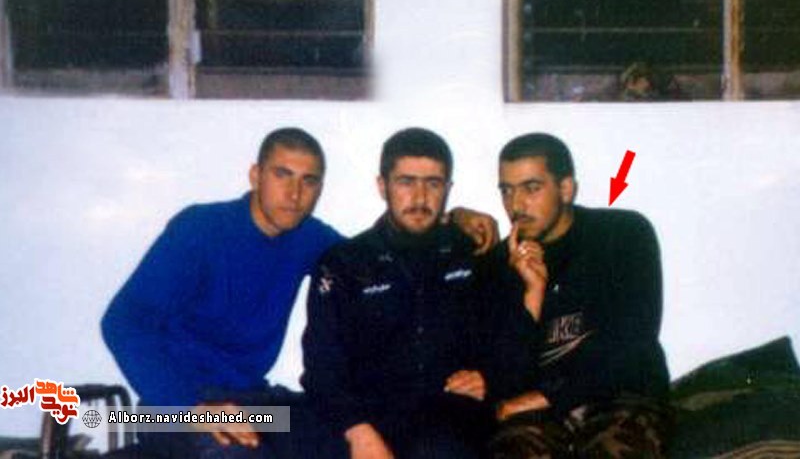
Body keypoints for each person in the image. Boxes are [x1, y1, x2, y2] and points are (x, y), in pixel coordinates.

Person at [101, 127, 497, 459]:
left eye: (309, 181)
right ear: (255, 175)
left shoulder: (309, 237)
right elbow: (122, 322)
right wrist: (191, 407)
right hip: (174, 407)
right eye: (282, 175)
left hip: (256, 405)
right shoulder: (199, 229)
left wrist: (452, 218)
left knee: (348, 437)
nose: (294, 193)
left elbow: (377, 257)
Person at [301, 128, 492, 459]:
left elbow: (508, 338)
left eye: (433, 184)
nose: (420, 197)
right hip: (358, 416)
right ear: (382, 186)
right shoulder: (345, 262)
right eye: (406, 182)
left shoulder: (472, 252)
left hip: (448, 420)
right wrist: (358, 431)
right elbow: (321, 365)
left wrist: (491, 377)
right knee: (268, 423)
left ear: (448, 189)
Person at [481, 133, 672, 458]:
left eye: (531, 188)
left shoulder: (622, 234)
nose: (516, 205)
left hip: (620, 398)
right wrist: (532, 295)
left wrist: (550, 396)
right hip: (536, 416)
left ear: (566, 189)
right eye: (506, 190)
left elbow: (632, 345)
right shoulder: (497, 265)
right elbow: (506, 375)